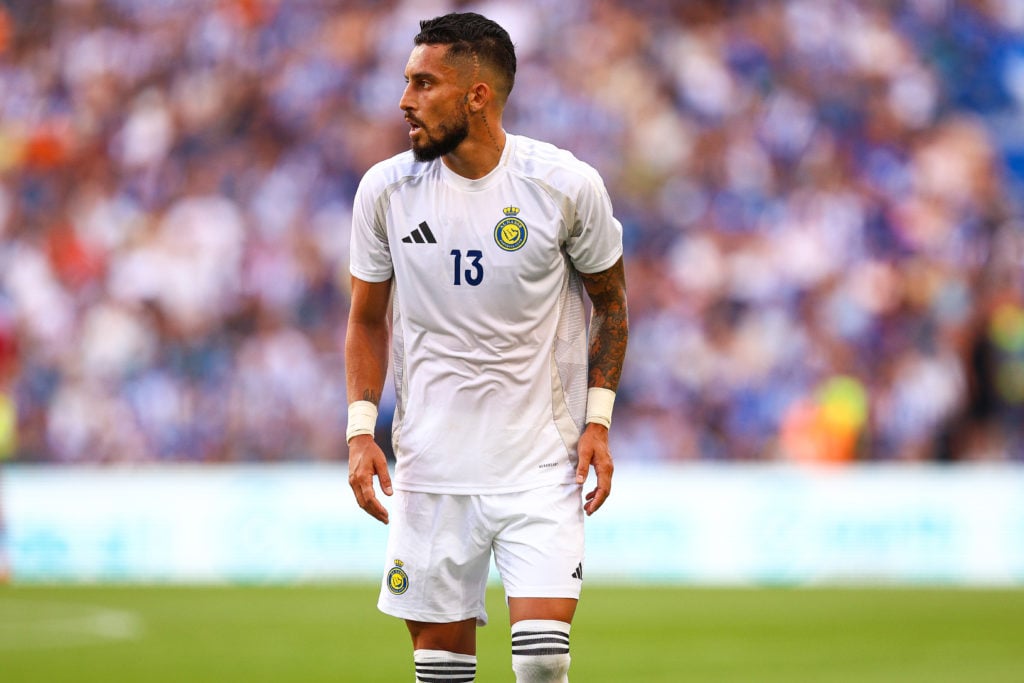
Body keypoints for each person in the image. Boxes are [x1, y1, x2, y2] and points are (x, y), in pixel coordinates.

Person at [344, 11, 628, 683]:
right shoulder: (386, 190)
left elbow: (611, 305)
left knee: (542, 660)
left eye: (424, 83)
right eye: (407, 81)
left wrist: (598, 420)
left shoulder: (564, 186)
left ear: (478, 95)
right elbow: (364, 320)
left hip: (538, 463)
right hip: (432, 468)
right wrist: (360, 431)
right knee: (442, 673)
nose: (405, 100)